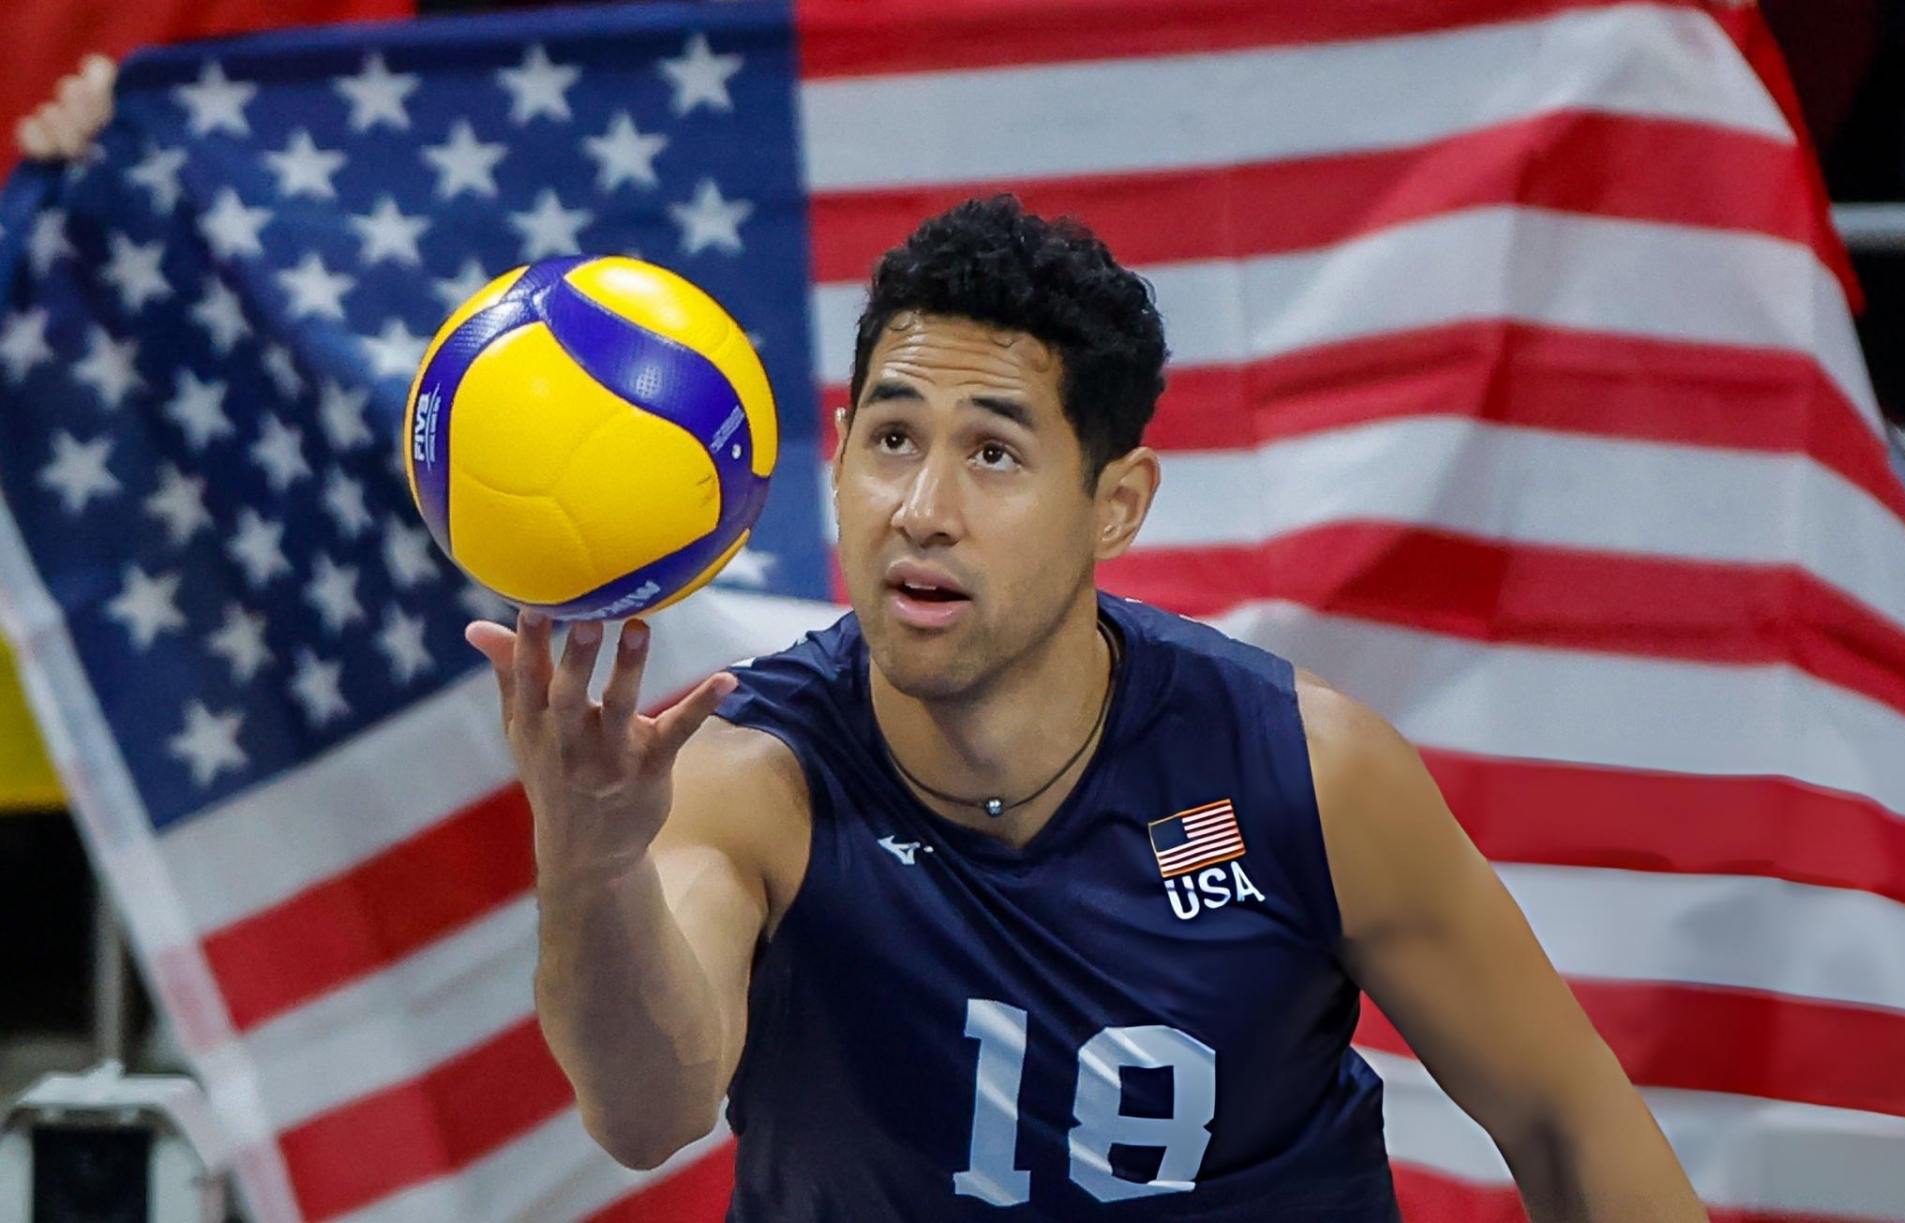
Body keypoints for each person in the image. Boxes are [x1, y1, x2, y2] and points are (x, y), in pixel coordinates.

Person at [464, 196, 1709, 1220]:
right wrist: (592, 858)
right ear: (836, 457)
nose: (923, 508)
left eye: (993, 453)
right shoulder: (752, 776)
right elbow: (646, 1113)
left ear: (1117, 503)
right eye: (892, 439)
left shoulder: (1303, 769)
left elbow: (1569, 1119)